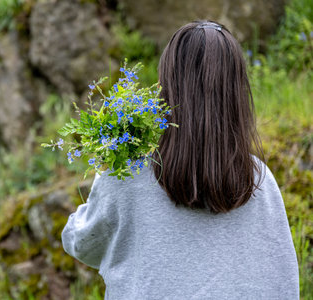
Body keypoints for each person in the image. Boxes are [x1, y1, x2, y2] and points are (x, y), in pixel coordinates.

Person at [61, 21, 299, 299]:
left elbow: (81, 242)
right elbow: (284, 281)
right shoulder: (259, 179)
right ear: (236, 92)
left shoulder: (128, 175)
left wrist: (107, 170)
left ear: (167, 89)